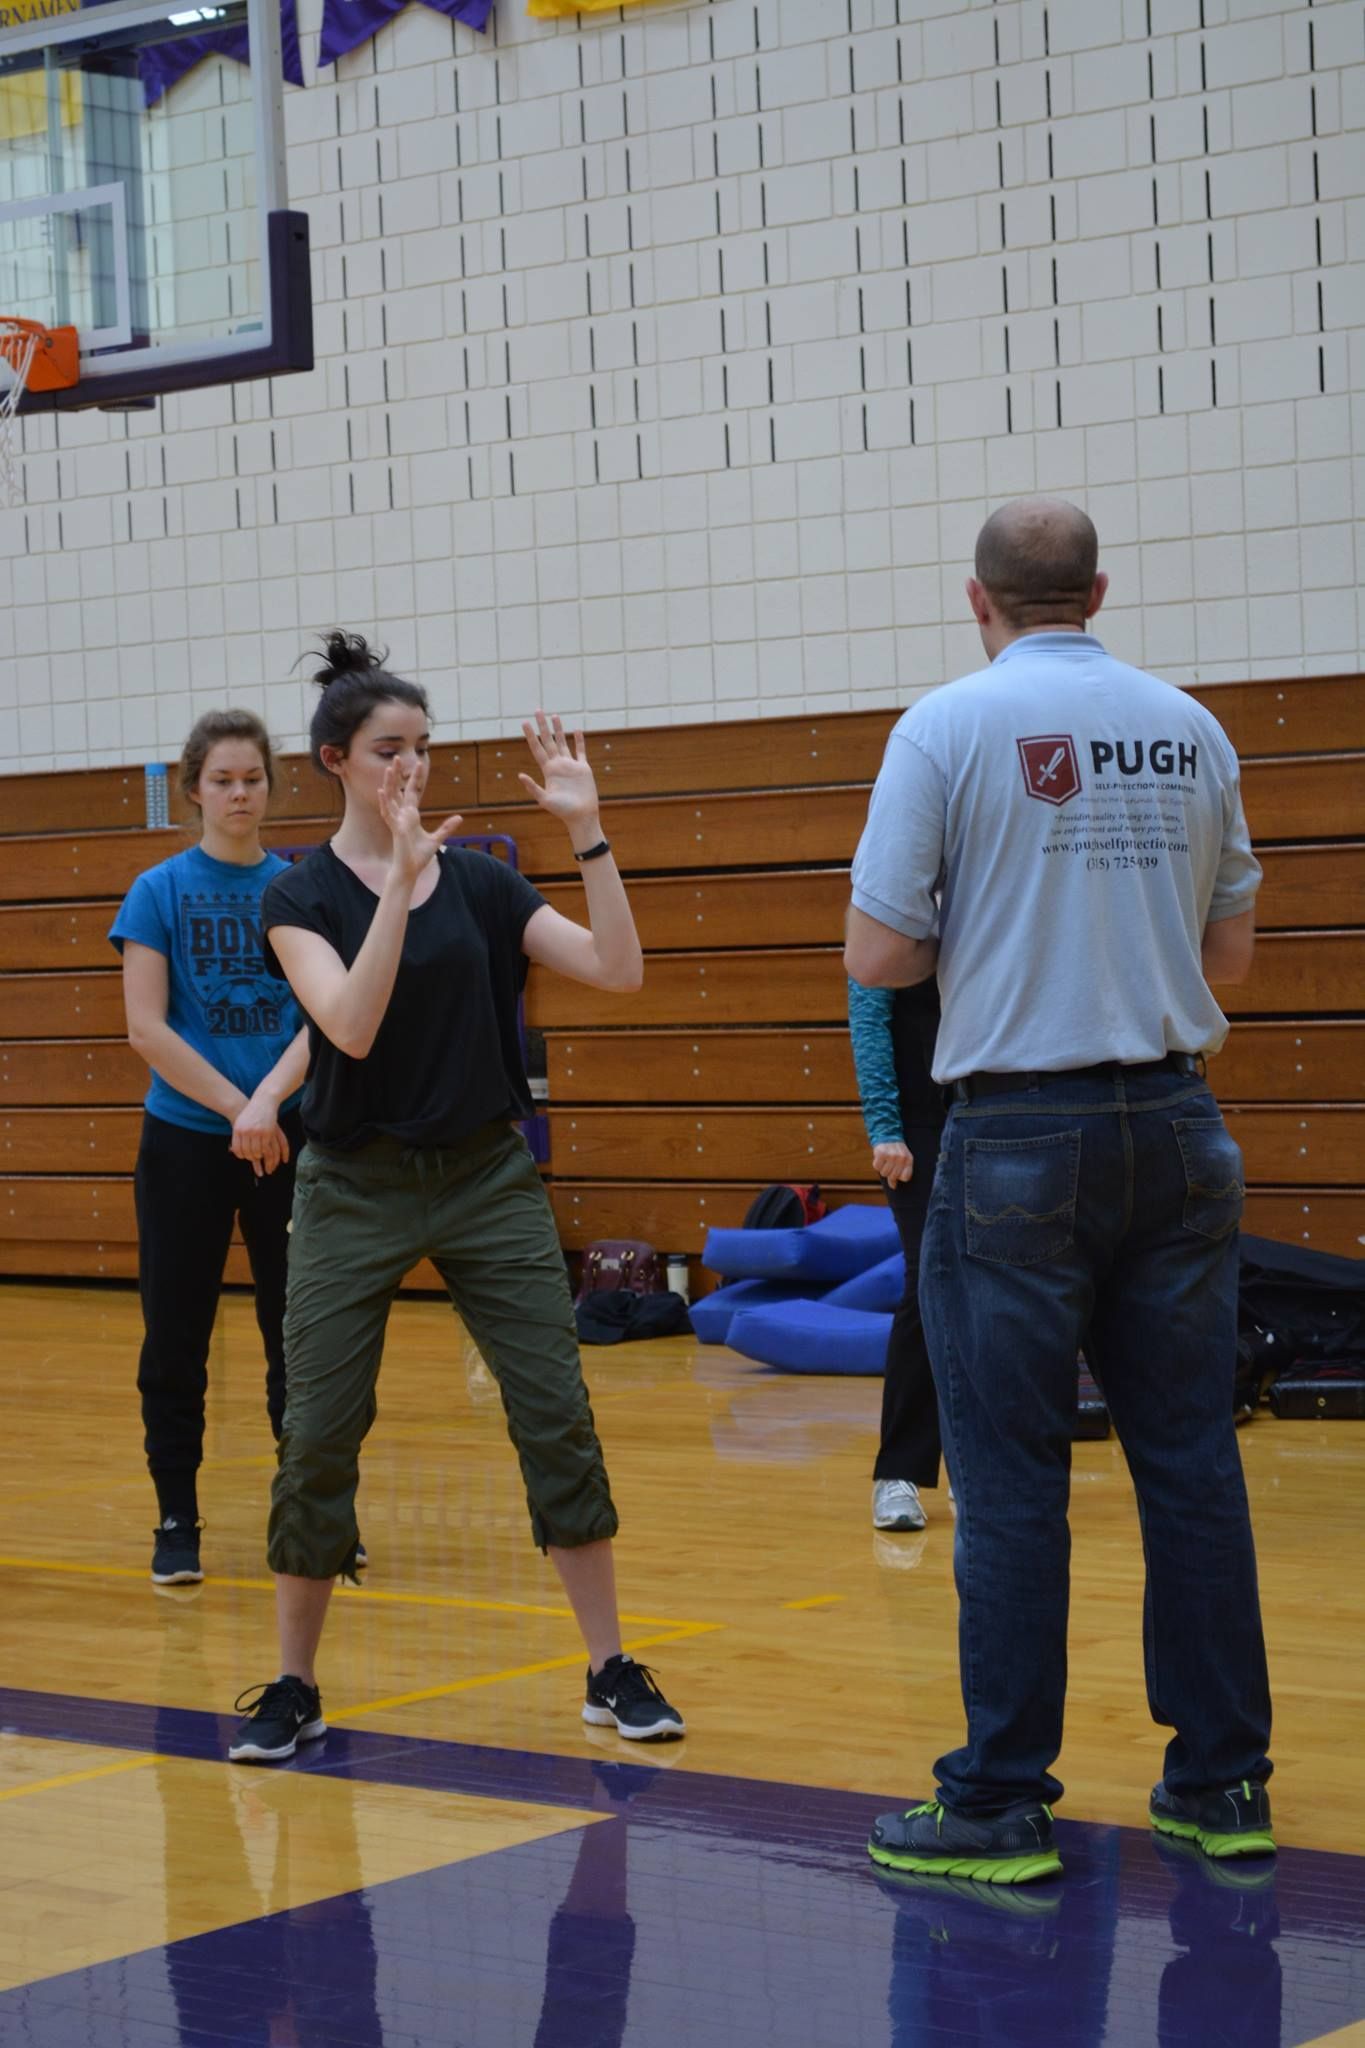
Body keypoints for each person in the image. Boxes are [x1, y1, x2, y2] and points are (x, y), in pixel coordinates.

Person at [846, 498, 1274, 1883]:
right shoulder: (1191, 728)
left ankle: (996, 1805)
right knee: (1191, 1467)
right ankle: (1219, 1788)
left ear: (976, 599)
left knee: (1014, 1481)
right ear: (1097, 588)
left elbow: (877, 957)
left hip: (1019, 1134)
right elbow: (1231, 966)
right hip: (1177, 1122)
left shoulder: (944, 729)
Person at [228, 633, 684, 1762]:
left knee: (556, 1415)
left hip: (486, 1179)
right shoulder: (298, 893)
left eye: (424, 749)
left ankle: (608, 1664)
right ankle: (293, 1681)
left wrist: (588, 830)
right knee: (320, 1433)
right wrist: (391, 877)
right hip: (352, 1185)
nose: (412, 771)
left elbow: (618, 968)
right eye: (391, 751)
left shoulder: (481, 880)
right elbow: (350, 1024)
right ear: (337, 759)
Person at [110, 709, 311, 1586]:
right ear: (194, 787)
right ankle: (175, 1517)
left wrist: (269, 1103)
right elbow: (146, 1029)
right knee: (176, 1334)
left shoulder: (299, 888)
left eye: (253, 778)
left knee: (300, 1335)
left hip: (288, 1136)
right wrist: (240, 1106)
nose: (239, 793)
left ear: (270, 787)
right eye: (223, 779)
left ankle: (310, 1512)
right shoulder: (157, 891)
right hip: (189, 1143)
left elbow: (327, 1019)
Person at [847, 976, 946, 1533]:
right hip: (915, 1124)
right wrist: (885, 1128)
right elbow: (868, 1017)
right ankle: (899, 1472)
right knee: (928, 1278)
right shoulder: (887, 893)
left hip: (986, 1110)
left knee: (989, 1288)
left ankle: (973, 1462)